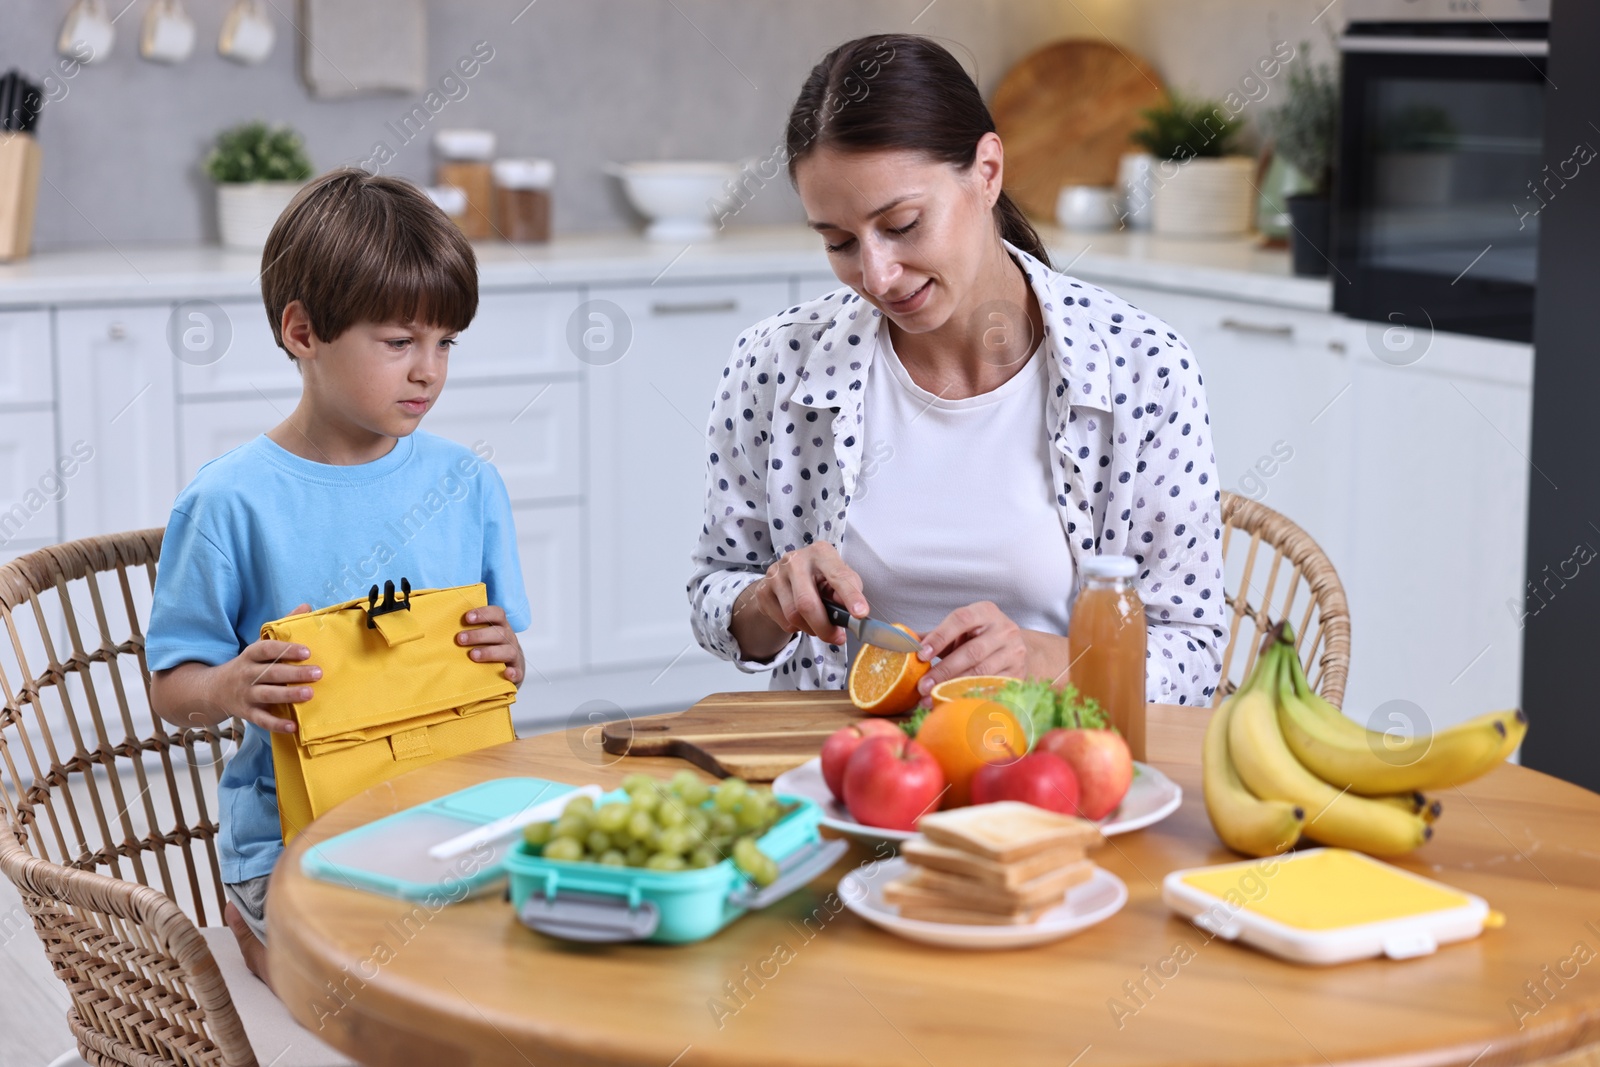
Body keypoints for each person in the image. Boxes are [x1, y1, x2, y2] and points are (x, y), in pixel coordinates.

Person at [689, 34, 1228, 706]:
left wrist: (1046, 657)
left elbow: (1194, 652)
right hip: (841, 770)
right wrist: (768, 603)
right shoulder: (775, 364)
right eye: (839, 242)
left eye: (904, 224)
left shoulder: (1142, 369)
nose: (877, 274)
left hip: (1054, 780)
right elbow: (716, 592)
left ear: (988, 171)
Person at [147, 168, 530, 990]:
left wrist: (508, 656)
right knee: (372, 989)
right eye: (399, 343)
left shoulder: (469, 485)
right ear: (303, 330)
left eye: (445, 342)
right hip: (293, 842)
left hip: (453, 820)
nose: (429, 370)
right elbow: (171, 690)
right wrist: (229, 686)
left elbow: (498, 670)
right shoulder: (227, 503)